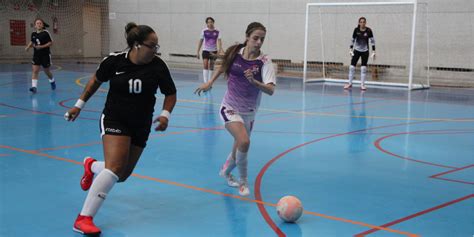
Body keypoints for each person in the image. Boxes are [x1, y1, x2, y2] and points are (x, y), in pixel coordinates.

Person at [65, 22, 177, 236]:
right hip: (115, 118)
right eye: (152, 45)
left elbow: (170, 93)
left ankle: (92, 166)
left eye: (157, 46)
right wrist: (78, 105)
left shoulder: (158, 66)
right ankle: (83, 218)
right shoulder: (114, 61)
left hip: (141, 124)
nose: (156, 49)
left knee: (122, 174)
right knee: (115, 167)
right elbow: (95, 81)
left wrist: (164, 115)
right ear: (136, 45)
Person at [195, 22, 276, 196]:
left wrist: (255, 82)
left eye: (262, 39)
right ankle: (244, 181)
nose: (259, 42)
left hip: (250, 111)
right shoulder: (234, 52)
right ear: (247, 37)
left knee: (239, 145)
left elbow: (270, 90)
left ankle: (225, 171)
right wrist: (210, 82)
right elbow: (223, 66)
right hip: (229, 107)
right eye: (255, 38)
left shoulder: (264, 62)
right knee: (245, 141)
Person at [344, 17, 376, 91]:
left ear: (365, 23)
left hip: (365, 51)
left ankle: (362, 85)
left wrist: (374, 51)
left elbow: (372, 41)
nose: (362, 23)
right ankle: (350, 83)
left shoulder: (369, 30)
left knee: (363, 68)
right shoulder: (356, 30)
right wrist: (350, 49)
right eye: (361, 22)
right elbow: (352, 40)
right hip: (356, 51)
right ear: (359, 23)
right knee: (352, 67)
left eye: (363, 22)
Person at [25, 18, 56, 93]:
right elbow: (32, 41)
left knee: (47, 71)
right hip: (36, 55)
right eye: (37, 23)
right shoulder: (33, 33)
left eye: (40, 23)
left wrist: (41, 47)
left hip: (45, 55)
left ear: (42, 25)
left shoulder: (46, 33)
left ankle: (52, 81)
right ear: (35, 25)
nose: (39, 24)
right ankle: (34, 87)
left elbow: (51, 43)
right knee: (35, 71)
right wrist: (28, 47)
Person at [196, 17, 224, 83]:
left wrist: (219, 51)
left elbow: (219, 41)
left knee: (211, 66)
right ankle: (205, 82)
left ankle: (209, 81)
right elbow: (201, 41)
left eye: (211, 22)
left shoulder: (217, 31)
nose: (210, 23)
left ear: (213, 22)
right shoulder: (204, 31)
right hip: (205, 50)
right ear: (206, 24)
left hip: (214, 51)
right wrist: (197, 51)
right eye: (208, 22)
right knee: (205, 65)